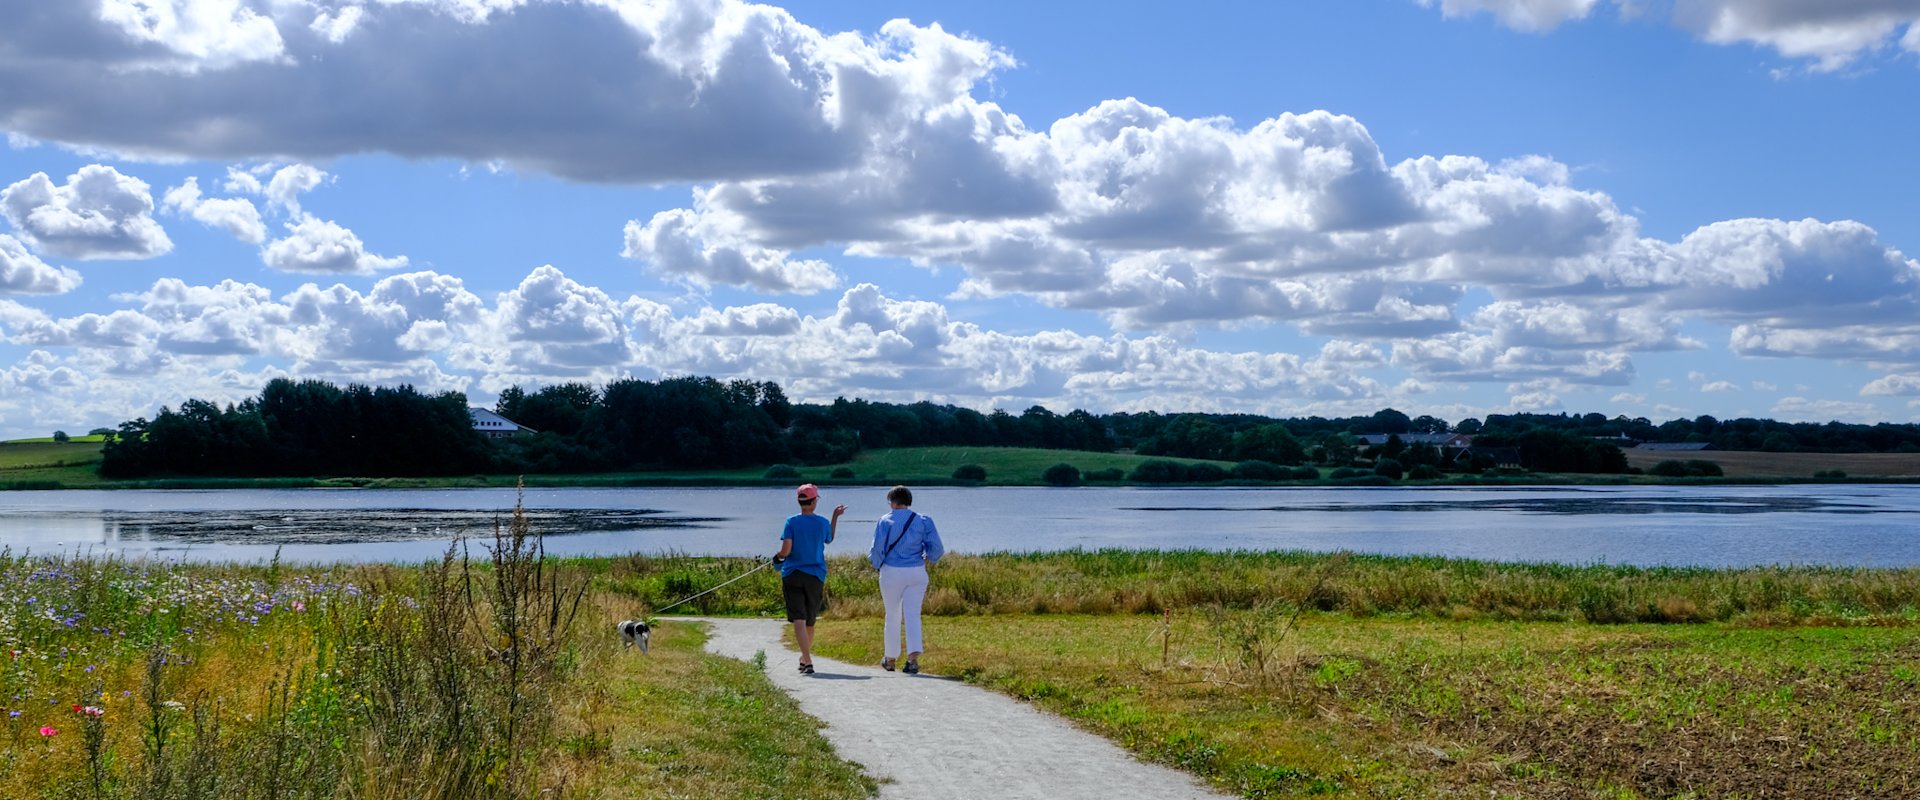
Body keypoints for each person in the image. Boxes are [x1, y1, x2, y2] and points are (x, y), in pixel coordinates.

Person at [868, 485, 943, 674]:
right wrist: (928, 558)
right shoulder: (923, 520)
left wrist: (877, 565)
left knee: (892, 614)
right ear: (909, 501)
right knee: (913, 615)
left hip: (891, 571)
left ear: (891, 502)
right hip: (916, 571)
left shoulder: (885, 521)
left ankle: (890, 659)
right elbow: (937, 548)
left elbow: (877, 549)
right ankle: (913, 659)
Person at [775, 483, 844, 675]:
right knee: (810, 620)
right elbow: (829, 539)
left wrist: (778, 557)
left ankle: (806, 659)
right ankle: (806, 658)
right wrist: (835, 517)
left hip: (792, 574)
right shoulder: (822, 523)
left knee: (799, 619)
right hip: (815, 575)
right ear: (814, 502)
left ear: (799, 502)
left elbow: (785, 551)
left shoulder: (791, 522)